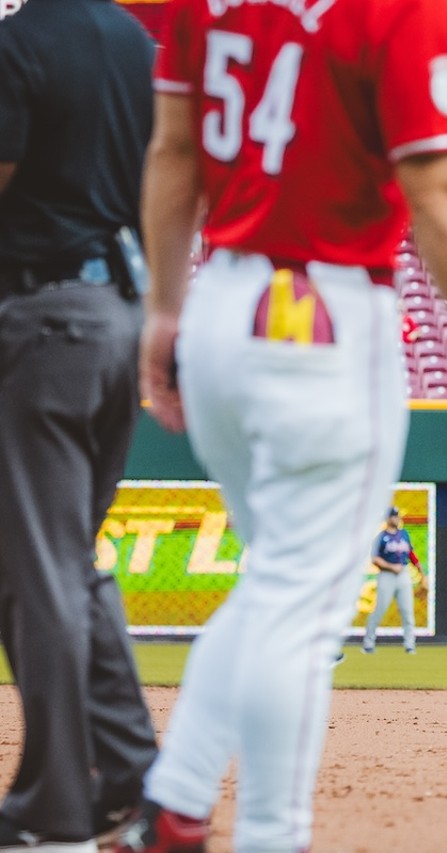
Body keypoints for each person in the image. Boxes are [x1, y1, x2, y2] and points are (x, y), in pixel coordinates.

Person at [125, 0, 447, 847]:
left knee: (275, 583)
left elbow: (174, 151)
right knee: (303, 605)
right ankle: (268, 833)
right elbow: (438, 186)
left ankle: (172, 807)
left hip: (221, 298)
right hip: (321, 308)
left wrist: (165, 315)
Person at [0, 1, 159, 846]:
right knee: (66, 559)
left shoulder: (18, 44)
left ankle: (54, 804)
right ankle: (132, 777)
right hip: (120, 315)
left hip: (44, 314)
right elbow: (164, 176)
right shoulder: (135, 42)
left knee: (42, 574)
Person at [361, 508, 423, 655]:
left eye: (397, 516)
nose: (396, 519)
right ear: (388, 519)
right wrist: (390, 566)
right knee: (380, 610)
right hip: (386, 575)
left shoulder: (404, 534)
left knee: (407, 611)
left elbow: (411, 554)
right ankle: (368, 644)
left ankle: (410, 645)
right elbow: (375, 559)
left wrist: (421, 573)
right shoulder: (381, 537)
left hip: (403, 575)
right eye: (393, 516)